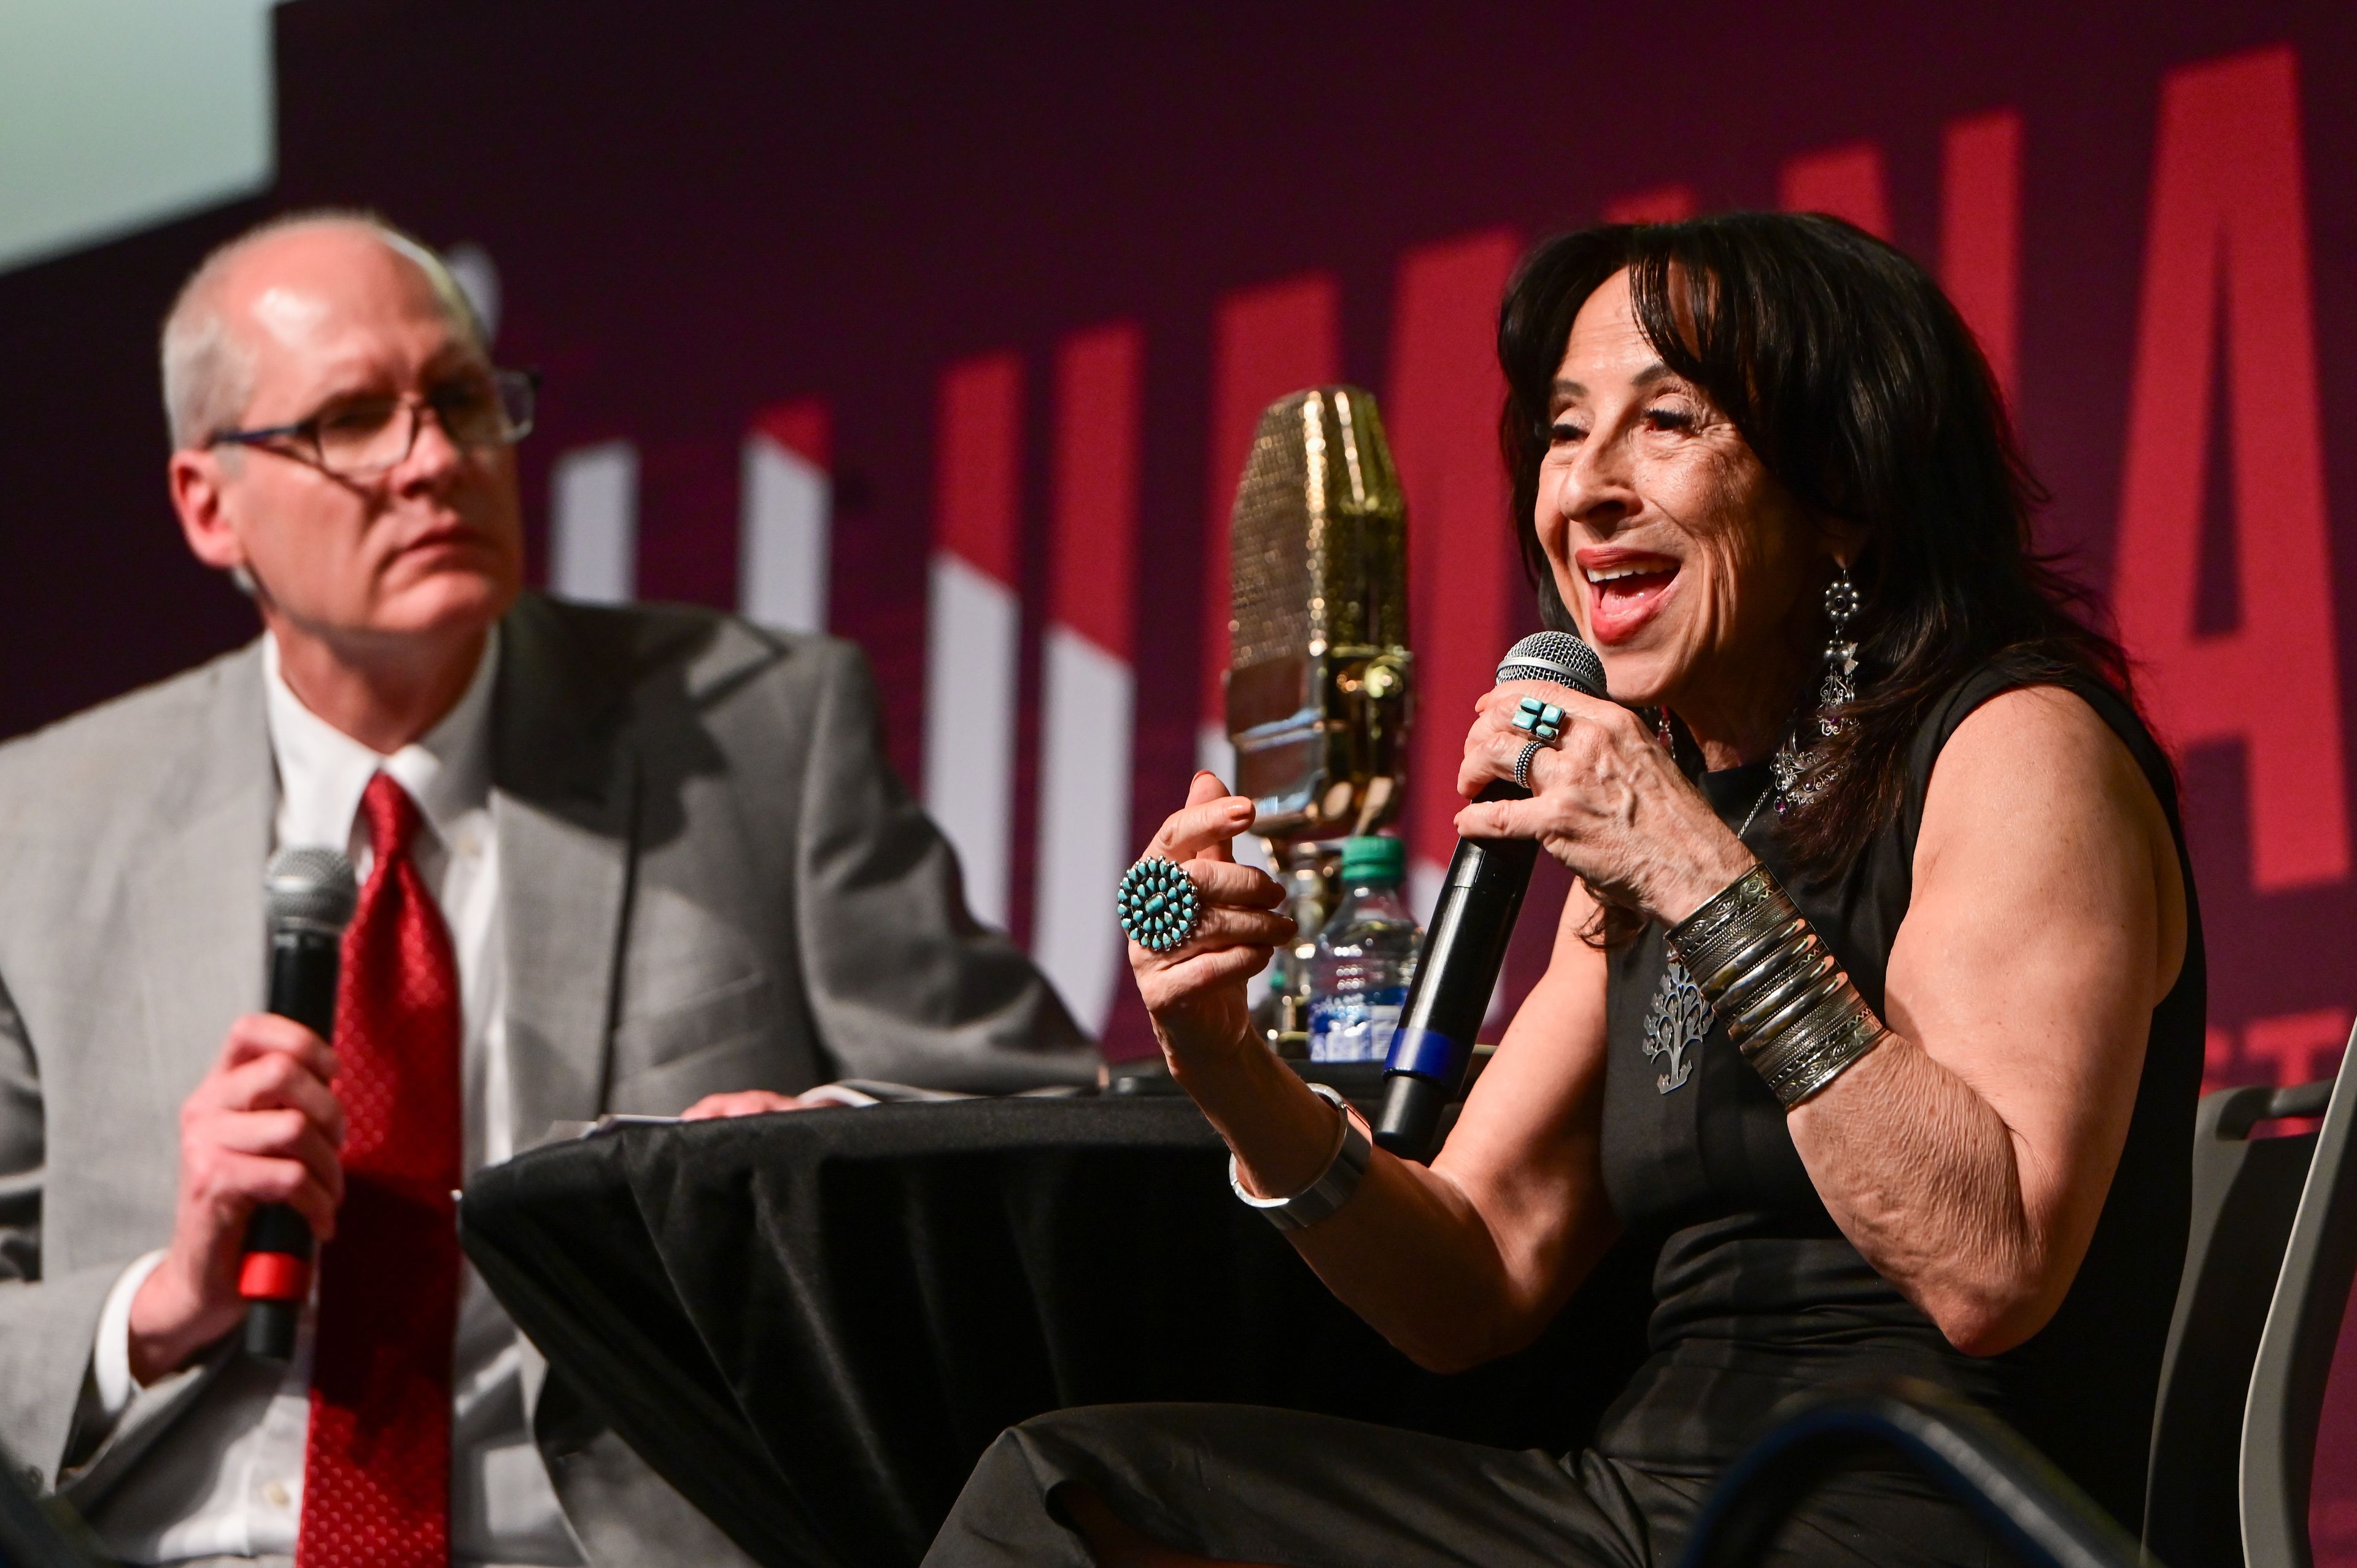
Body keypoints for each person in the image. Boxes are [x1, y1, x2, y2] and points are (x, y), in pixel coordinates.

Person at [925, 212, 2203, 1567]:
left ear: (1845, 489)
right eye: (1562, 428)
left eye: (1668, 422)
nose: (1582, 488)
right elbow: (1471, 1277)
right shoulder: (1678, 806)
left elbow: (1987, 1268)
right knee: (1079, 1496)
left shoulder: (2016, 747)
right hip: (1647, 1509)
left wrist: (1698, 876)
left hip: (1908, 1518)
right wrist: (1229, 1063)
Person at [0, 210, 1096, 1568]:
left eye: (460, 402)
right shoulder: (39, 823)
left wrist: (811, 1155)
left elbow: (1030, 1119)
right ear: (208, 503)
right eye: (351, 420)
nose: (433, 462)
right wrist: (155, 1306)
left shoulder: (760, 733)